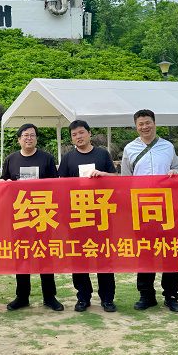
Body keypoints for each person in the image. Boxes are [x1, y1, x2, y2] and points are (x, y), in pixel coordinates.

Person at [120, 109, 178, 313]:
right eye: (141, 124)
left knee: (169, 251)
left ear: (154, 123)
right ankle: (146, 295)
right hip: (142, 208)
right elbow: (125, 180)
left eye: (148, 123)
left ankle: (171, 295)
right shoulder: (130, 149)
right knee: (145, 252)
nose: (145, 127)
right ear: (136, 127)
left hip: (167, 207)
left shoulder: (167, 146)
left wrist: (176, 171)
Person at [2, 123, 64, 312]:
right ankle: (22, 296)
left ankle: (49, 296)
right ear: (19, 139)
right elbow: (4, 183)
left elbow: (56, 185)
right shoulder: (11, 159)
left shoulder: (46, 158)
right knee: (22, 255)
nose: (29, 138)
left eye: (32, 135)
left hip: (43, 214)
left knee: (45, 255)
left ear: (36, 138)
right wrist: (5, 183)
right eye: (25, 135)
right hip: (20, 215)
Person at [58, 120, 118, 313]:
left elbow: (116, 179)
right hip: (77, 216)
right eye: (74, 135)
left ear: (89, 133)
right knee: (79, 258)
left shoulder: (102, 154)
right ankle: (83, 297)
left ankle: (107, 298)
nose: (79, 137)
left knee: (104, 257)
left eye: (81, 132)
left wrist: (104, 175)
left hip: (101, 214)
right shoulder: (68, 158)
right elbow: (60, 186)